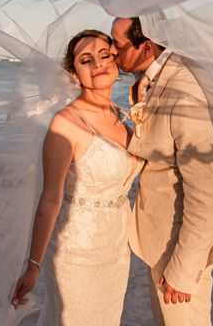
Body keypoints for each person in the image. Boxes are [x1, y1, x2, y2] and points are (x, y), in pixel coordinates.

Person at [111, 17, 213, 325]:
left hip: (180, 247)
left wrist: (183, 269)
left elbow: (206, 195)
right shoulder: (158, 75)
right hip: (160, 236)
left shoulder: (185, 95)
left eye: (117, 44)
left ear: (146, 47)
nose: (112, 51)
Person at [11, 29, 141, 325]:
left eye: (104, 55)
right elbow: (50, 198)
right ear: (74, 74)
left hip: (118, 250)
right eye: (86, 60)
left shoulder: (122, 114)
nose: (98, 64)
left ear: (116, 61)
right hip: (78, 253)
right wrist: (34, 266)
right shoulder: (66, 123)